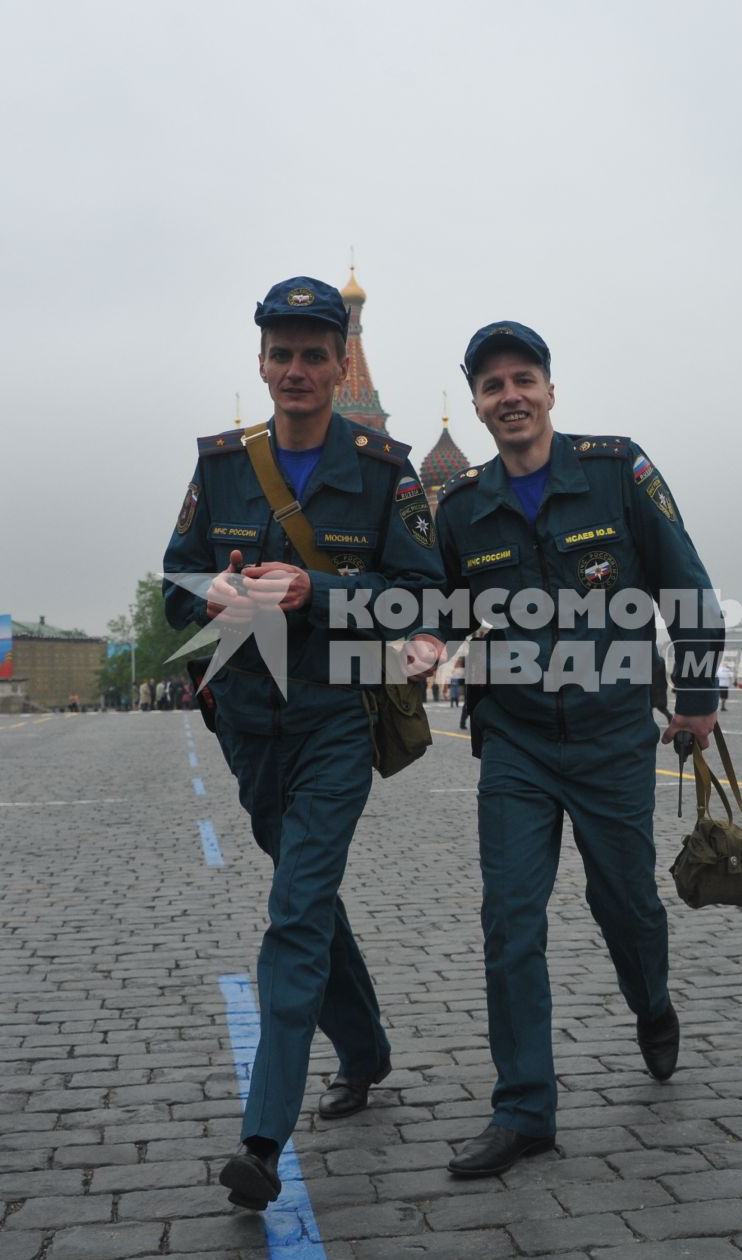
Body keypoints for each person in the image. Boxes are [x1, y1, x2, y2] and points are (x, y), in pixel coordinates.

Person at [406, 319, 721, 1178]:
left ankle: (650, 1001)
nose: (509, 395)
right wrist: (423, 641)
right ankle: (525, 1109)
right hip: (513, 741)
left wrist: (694, 701)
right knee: (509, 919)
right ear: (476, 403)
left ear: (550, 389)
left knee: (627, 904)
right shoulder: (465, 506)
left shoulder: (620, 471)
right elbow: (442, 607)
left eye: (523, 379)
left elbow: (687, 587)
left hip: (613, 733)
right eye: (492, 385)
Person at [160, 276, 442, 1211]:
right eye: (280, 354)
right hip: (248, 720)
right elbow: (171, 579)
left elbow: (424, 599)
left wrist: (311, 594)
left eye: (313, 354)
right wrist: (207, 594)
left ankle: (262, 1137)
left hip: (335, 718)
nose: (295, 370)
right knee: (307, 893)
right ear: (263, 363)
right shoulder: (221, 465)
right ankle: (364, 1050)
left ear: (337, 361)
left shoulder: (384, 466)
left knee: (292, 911)